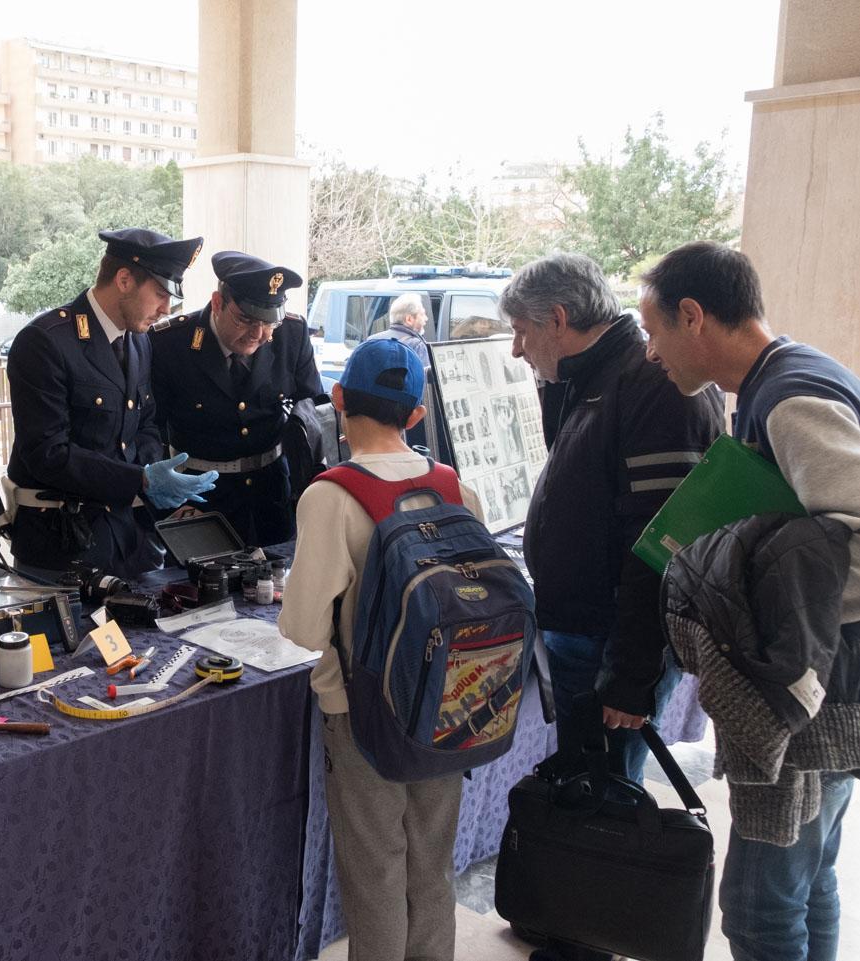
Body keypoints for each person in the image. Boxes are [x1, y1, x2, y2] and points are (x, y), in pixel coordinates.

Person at [637, 241, 860, 961]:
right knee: (807, 882)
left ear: (693, 316)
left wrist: (746, 585)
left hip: (806, 695)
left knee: (759, 908)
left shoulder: (791, 396)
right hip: (826, 686)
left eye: (652, 330)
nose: (649, 352)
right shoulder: (783, 377)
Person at [279, 338, 483, 961]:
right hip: (451, 706)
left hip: (364, 713)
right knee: (431, 863)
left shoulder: (330, 496)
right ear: (416, 414)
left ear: (338, 400)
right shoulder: (453, 487)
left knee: (376, 873)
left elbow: (306, 629)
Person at [502, 253, 722, 795]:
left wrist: (630, 674)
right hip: (584, 623)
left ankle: (599, 881)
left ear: (558, 319)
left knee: (606, 800)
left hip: (611, 634)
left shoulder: (654, 380)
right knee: (584, 781)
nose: (515, 348)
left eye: (521, 331)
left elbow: (663, 544)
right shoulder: (590, 374)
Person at [4, 228, 217, 580]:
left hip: (129, 540)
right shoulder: (46, 342)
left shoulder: (139, 342)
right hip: (63, 545)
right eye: (161, 293)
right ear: (123, 280)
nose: (167, 308)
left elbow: (146, 422)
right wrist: (141, 480)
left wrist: (154, 474)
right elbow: (47, 453)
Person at [149, 251, 324, 545]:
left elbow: (314, 414)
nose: (259, 333)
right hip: (200, 499)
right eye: (245, 319)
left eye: (269, 322)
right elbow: (150, 428)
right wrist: (172, 502)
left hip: (273, 495)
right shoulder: (170, 343)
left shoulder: (291, 334)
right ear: (218, 303)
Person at [371, 292, 430, 363]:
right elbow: (423, 373)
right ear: (409, 319)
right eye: (422, 314)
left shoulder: (371, 341)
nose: (426, 318)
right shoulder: (416, 346)